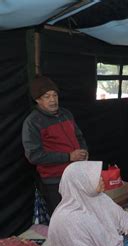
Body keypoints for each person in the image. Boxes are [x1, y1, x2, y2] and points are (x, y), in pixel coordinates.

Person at [22, 75, 88, 215]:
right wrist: (68, 156)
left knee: (82, 214)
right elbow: (34, 156)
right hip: (55, 181)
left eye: (54, 95)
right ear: (37, 99)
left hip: (77, 174)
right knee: (63, 219)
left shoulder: (66, 114)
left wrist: (84, 151)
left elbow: (79, 136)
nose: (52, 100)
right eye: (46, 96)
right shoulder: (32, 122)